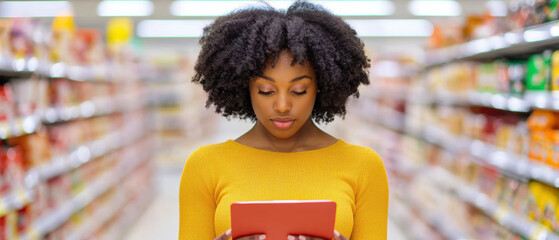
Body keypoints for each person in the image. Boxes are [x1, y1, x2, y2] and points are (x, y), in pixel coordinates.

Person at [179, 1, 388, 239]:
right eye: (266, 91)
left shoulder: (364, 166)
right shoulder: (205, 166)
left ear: (322, 85)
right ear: (243, 86)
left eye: (299, 90)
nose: (282, 106)